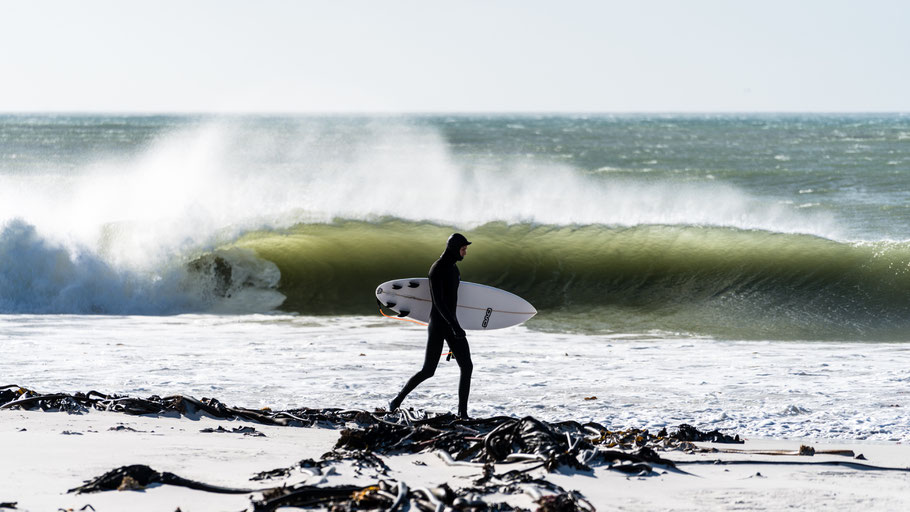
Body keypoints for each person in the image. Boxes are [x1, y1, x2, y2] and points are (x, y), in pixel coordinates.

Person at [389, 233, 473, 419]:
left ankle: (463, 414)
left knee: (467, 366)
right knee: (428, 370)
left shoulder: (454, 269)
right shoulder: (438, 269)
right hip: (439, 324)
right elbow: (439, 302)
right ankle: (396, 401)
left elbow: (453, 302)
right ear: (454, 248)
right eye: (463, 249)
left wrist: (457, 326)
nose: (465, 253)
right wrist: (454, 326)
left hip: (452, 323)